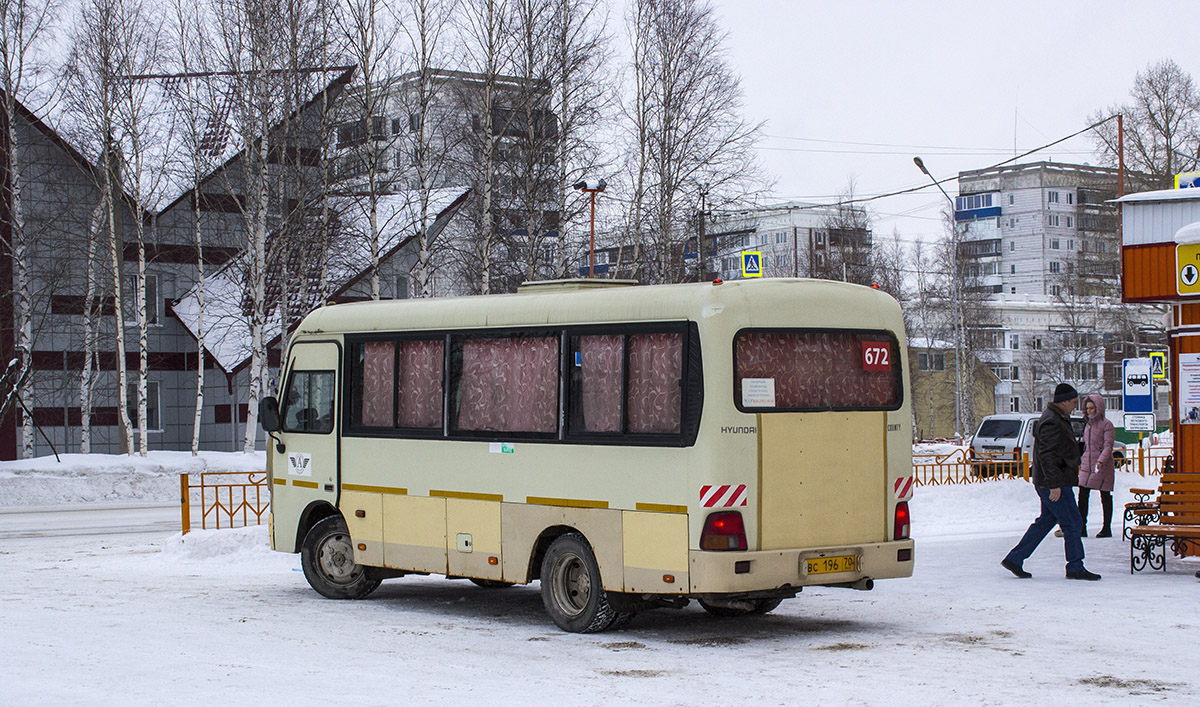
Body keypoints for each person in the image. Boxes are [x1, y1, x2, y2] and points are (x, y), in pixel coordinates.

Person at [1001, 383, 1101, 581]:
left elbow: (1057, 450)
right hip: (1054, 482)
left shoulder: (1056, 417)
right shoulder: (1052, 421)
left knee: (1046, 520)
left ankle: (1015, 558)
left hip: (1052, 480)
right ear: (1063, 402)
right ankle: (1075, 566)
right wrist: (1053, 484)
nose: (1075, 406)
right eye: (1073, 402)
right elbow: (1046, 454)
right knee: (1073, 522)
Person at [1078, 394, 1115, 538]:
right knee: (1083, 494)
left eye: (1092, 408)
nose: (1090, 411)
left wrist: (1101, 460)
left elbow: (1108, 446)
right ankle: (1082, 526)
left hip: (1102, 465)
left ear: (1098, 408)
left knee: (1105, 495)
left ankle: (1107, 528)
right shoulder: (1088, 425)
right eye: (1087, 408)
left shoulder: (1107, 425)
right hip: (1087, 463)